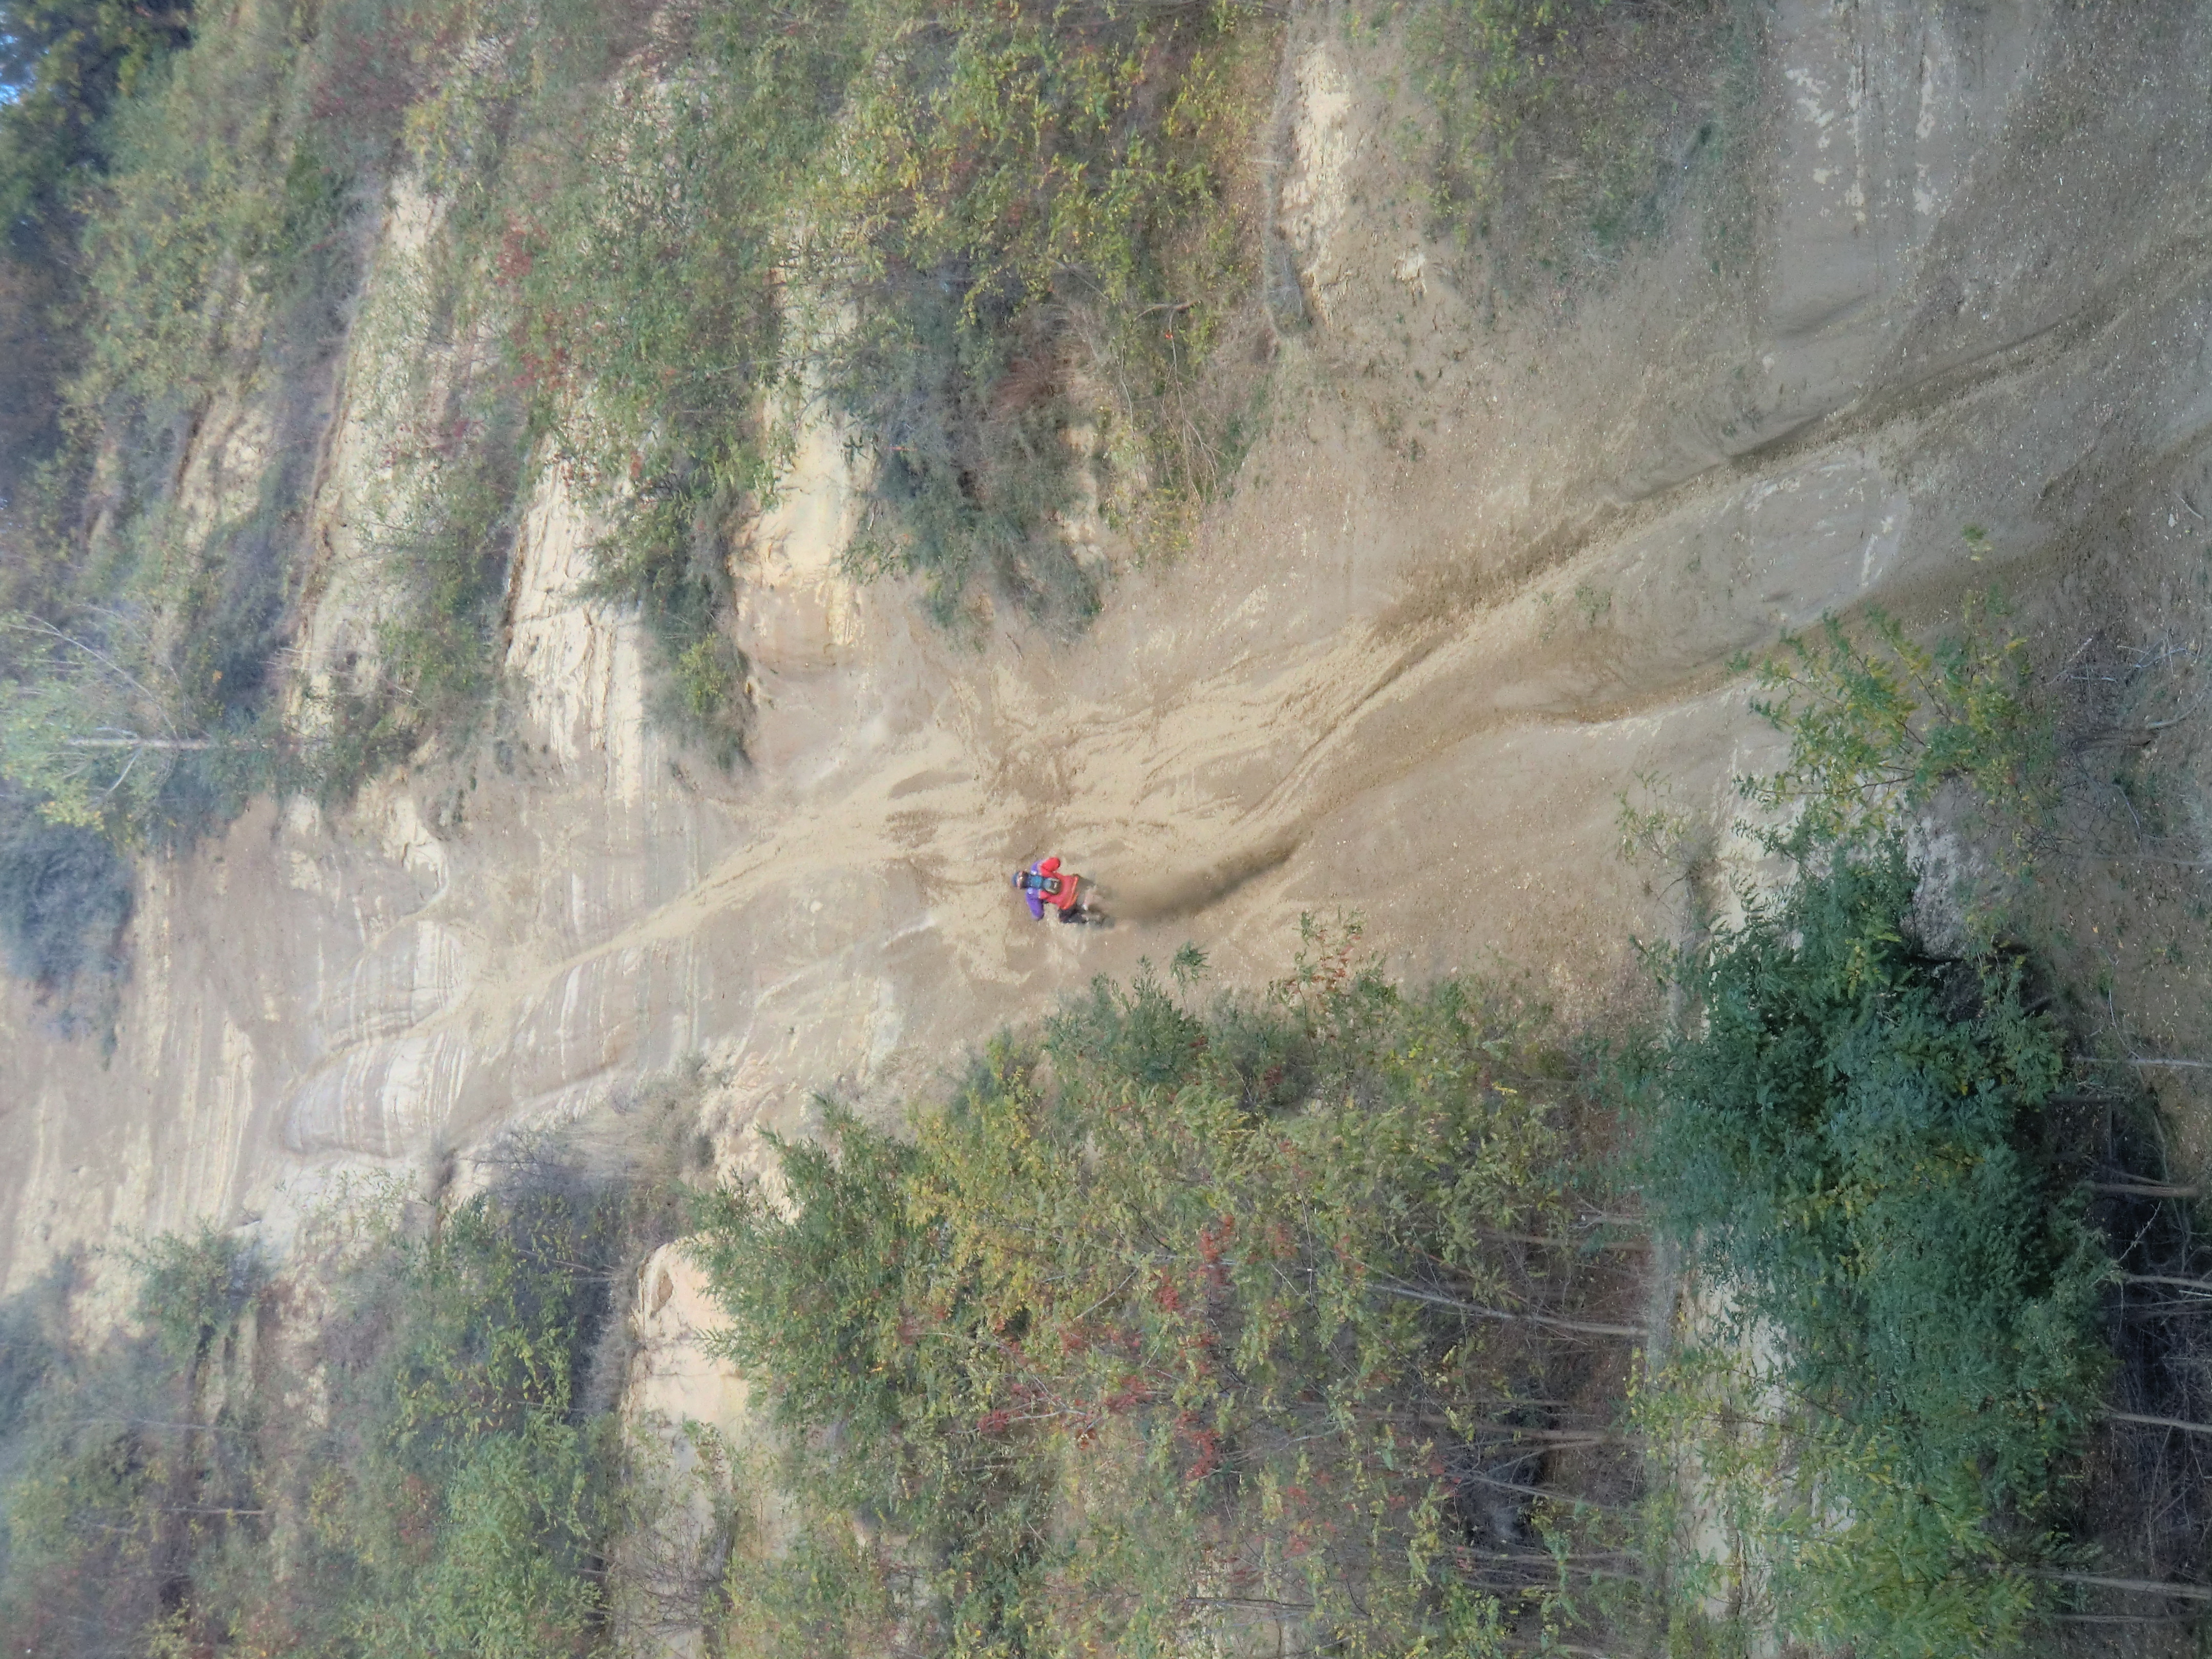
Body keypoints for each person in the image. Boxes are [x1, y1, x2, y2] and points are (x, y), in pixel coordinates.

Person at [1012, 855, 1092, 923]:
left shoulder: (1030, 895)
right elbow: (1057, 862)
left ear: (1022, 887)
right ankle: (1094, 885)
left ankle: (1086, 917)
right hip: (1075, 883)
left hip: (1069, 903)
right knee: (1077, 877)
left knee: (1063, 918)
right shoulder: (1037, 867)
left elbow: (1039, 914)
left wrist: (1035, 918)